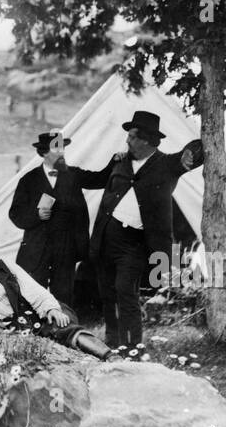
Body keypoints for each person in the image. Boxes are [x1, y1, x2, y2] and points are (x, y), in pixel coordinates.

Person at [70, 110, 204, 352]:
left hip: (134, 243)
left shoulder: (167, 164)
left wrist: (190, 153)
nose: (127, 140)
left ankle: (132, 348)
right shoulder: (120, 161)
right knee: (108, 293)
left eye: (132, 136)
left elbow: (200, 147)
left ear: (146, 140)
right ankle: (111, 345)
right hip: (106, 235)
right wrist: (65, 170)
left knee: (125, 292)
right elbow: (98, 179)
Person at [0, 238, 115, 361]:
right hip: (13, 332)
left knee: (61, 326)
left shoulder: (4, 268)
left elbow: (31, 287)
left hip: (34, 314)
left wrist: (51, 308)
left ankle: (109, 356)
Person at [8, 131, 91, 308]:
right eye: (56, 149)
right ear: (44, 152)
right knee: (34, 294)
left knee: (64, 294)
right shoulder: (28, 180)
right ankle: (37, 332)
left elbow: (99, 179)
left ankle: (64, 331)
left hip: (65, 249)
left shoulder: (73, 175)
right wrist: (35, 215)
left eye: (63, 149)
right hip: (36, 249)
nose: (61, 153)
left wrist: (117, 161)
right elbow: (15, 214)